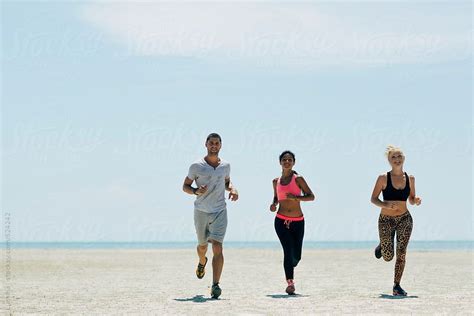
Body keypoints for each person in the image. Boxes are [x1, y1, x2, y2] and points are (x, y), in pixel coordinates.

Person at [182, 133, 238, 299]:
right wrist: (195, 191)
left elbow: (227, 182)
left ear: (220, 146)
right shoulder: (196, 166)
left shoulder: (225, 165)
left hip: (220, 210)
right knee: (202, 247)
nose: (214, 145)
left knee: (218, 247)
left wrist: (233, 189)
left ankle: (215, 285)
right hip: (201, 211)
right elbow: (185, 186)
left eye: (217, 143)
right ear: (206, 145)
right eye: (211, 143)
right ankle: (202, 261)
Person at [370, 145, 422, 296]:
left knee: (402, 252)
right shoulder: (383, 178)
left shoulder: (410, 178)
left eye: (399, 156)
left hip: (405, 219)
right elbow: (373, 199)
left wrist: (416, 200)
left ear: (404, 159)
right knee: (388, 257)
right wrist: (385, 204)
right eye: (393, 157)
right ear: (389, 160)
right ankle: (383, 245)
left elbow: (411, 199)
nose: (397, 159)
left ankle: (397, 286)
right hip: (386, 219)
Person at [269, 150, 315, 295]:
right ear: (280, 162)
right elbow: (276, 197)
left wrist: (296, 198)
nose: (287, 162)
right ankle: (290, 283)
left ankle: (291, 263)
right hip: (281, 221)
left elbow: (311, 196)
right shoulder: (276, 181)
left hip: (298, 222)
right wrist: (273, 204)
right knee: (287, 251)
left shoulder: (298, 179)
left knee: (297, 256)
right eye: (284, 160)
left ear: (293, 162)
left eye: (290, 160)